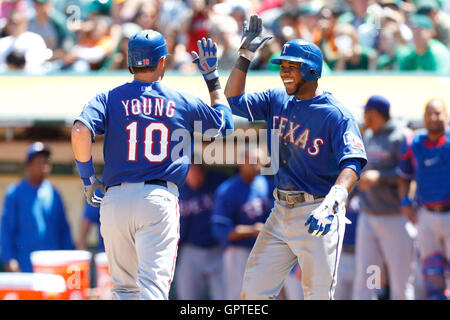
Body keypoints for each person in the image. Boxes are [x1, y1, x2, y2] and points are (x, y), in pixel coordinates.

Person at [71, 30, 234, 300]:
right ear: (162, 62)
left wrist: (88, 179)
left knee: (124, 290)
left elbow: (79, 132)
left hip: (115, 200)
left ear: (130, 62)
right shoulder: (181, 100)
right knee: (153, 290)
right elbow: (224, 126)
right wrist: (212, 78)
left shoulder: (109, 97)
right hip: (157, 199)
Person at [224, 14, 367, 300]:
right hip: (280, 211)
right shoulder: (277, 99)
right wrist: (244, 56)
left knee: (316, 295)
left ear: (312, 71)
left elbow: (352, 162)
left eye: (293, 67)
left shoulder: (335, 114)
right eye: (283, 66)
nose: (285, 72)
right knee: (251, 293)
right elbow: (232, 100)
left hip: (318, 211)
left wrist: (333, 202)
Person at [353, 95, 415, 300]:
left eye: (367, 112)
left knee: (400, 280)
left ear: (377, 113)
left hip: (395, 217)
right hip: (369, 215)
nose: (364, 116)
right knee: (367, 276)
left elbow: (410, 173)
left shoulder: (401, 136)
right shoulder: (369, 136)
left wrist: (380, 177)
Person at [398, 98, 450, 300]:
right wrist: (405, 203)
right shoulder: (414, 143)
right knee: (432, 273)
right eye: (429, 113)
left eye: (437, 113)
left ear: (445, 116)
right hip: (426, 216)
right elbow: (404, 177)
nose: (433, 117)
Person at [0, 142, 74, 273]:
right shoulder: (15, 193)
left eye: (46, 162)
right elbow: (6, 230)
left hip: (51, 267)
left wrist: (71, 260)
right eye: (39, 162)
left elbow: (64, 231)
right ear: (29, 166)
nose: (43, 166)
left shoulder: (54, 194)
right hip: (24, 266)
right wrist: (9, 259)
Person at [211, 148, 273, 300]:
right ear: (240, 162)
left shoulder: (268, 185)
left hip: (265, 250)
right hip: (238, 252)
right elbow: (221, 231)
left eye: (259, 161)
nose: (255, 165)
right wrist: (253, 230)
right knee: (239, 297)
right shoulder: (227, 190)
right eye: (251, 161)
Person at [174, 163, 227, 300]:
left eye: (199, 168)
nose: (196, 172)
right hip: (190, 251)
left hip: (218, 250)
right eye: (191, 169)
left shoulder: (219, 183)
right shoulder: (175, 190)